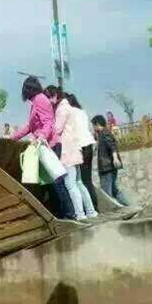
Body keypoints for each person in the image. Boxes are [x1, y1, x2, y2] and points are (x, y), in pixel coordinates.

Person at [12, 77, 75, 220]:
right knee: (47, 182)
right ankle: (58, 213)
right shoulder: (35, 102)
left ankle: (69, 214)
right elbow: (30, 126)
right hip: (42, 146)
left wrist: (41, 137)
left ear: (28, 89)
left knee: (57, 181)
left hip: (49, 145)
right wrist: (13, 138)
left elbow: (48, 122)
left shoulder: (40, 99)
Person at [54, 91, 97, 220]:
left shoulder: (67, 111)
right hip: (87, 144)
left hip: (76, 146)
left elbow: (60, 130)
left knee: (73, 183)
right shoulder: (81, 111)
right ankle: (91, 210)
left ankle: (81, 212)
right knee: (84, 181)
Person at [66, 94, 99, 217]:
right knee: (87, 180)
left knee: (81, 181)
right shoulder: (82, 112)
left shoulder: (70, 113)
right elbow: (89, 129)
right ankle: (94, 207)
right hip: (89, 145)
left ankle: (91, 208)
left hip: (81, 146)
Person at [92, 115, 130, 206]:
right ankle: (128, 205)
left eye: (93, 125)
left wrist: (115, 158)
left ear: (97, 124)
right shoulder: (102, 134)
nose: (93, 128)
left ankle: (110, 210)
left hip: (107, 167)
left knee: (106, 193)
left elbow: (112, 146)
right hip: (109, 166)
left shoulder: (104, 133)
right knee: (114, 189)